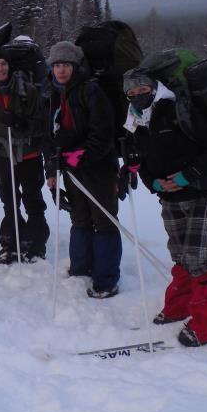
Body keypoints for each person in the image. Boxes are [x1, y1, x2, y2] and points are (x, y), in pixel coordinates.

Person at [122, 66, 207, 346]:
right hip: (169, 197)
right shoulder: (137, 119)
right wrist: (152, 182)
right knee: (181, 256)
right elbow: (143, 159)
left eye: (142, 90)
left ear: (154, 88)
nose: (137, 95)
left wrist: (188, 175)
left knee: (198, 258)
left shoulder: (179, 109)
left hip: (203, 193)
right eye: (131, 92)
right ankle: (180, 306)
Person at [42, 41, 122, 298]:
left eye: (66, 65)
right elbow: (50, 137)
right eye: (56, 65)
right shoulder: (54, 95)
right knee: (80, 217)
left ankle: (106, 278)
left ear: (76, 67)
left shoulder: (91, 92)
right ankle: (81, 267)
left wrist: (75, 158)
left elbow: (103, 135)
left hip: (99, 168)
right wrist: (52, 169)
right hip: (71, 168)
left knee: (104, 221)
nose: (61, 70)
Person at [0, 48, 48, 264]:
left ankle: (36, 245)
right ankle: (11, 244)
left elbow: (42, 123)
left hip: (29, 154)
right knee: (9, 201)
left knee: (32, 200)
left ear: (10, 67)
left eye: (3, 64)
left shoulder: (28, 91)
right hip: (3, 153)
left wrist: (20, 123)